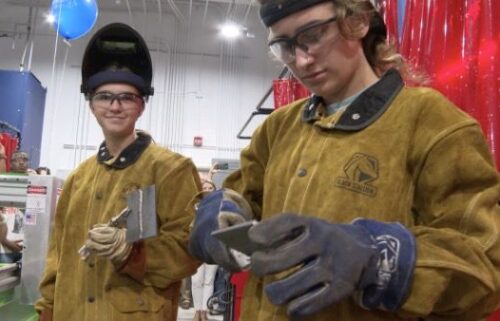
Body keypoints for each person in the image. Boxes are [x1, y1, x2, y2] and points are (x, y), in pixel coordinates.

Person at [188, 1, 500, 321]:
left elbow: (484, 268)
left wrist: (375, 258)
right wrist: (221, 210)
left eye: (315, 34)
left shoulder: (433, 124)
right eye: (284, 45)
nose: (302, 59)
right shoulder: (278, 127)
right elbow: (243, 199)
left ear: (358, 21)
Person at [35, 23, 201, 321]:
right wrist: (47, 311)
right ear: (91, 105)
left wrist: (131, 253)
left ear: (141, 106)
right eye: (104, 96)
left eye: (127, 97)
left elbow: (190, 250)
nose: (115, 106)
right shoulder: (77, 179)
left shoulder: (170, 171)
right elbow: (57, 257)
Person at [191, 178, 219, 321]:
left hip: (213, 247)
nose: (207, 190)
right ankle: (197, 310)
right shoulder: (194, 206)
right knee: (196, 280)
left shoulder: (219, 206)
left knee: (209, 280)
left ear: (214, 190)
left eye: (210, 188)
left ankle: (204, 312)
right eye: (205, 188)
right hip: (196, 247)